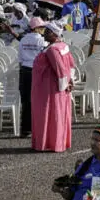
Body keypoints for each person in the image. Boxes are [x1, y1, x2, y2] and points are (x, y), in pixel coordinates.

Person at [31, 22, 74, 153]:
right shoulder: (63, 46)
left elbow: (60, 69)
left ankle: (49, 142)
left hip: (49, 89)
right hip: (56, 87)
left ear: (55, 34)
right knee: (57, 114)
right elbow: (71, 64)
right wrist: (70, 81)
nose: (44, 33)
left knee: (48, 114)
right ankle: (57, 141)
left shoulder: (52, 50)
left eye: (48, 31)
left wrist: (64, 85)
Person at [17, 17, 47, 140]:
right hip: (37, 71)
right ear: (37, 28)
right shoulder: (42, 41)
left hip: (24, 70)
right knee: (38, 100)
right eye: (42, 27)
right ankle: (37, 128)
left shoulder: (23, 40)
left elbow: (20, 58)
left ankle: (25, 129)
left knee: (25, 101)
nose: (44, 29)